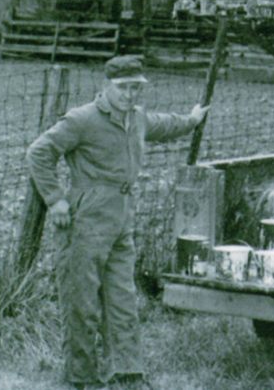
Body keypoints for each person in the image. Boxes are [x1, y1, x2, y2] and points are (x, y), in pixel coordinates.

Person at [27, 55, 209, 389]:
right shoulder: (82, 120)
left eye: (136, 88)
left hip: (122, 218)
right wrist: (55, 200)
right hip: (85, 219)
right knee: (81, 301)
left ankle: (126, 372)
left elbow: (163, 124)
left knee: (123, 297)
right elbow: (39, 152)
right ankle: (81, 377)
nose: (130, 95)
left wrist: (192, 119)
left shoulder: (136, 118)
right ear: (106, 86)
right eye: (123, 88)